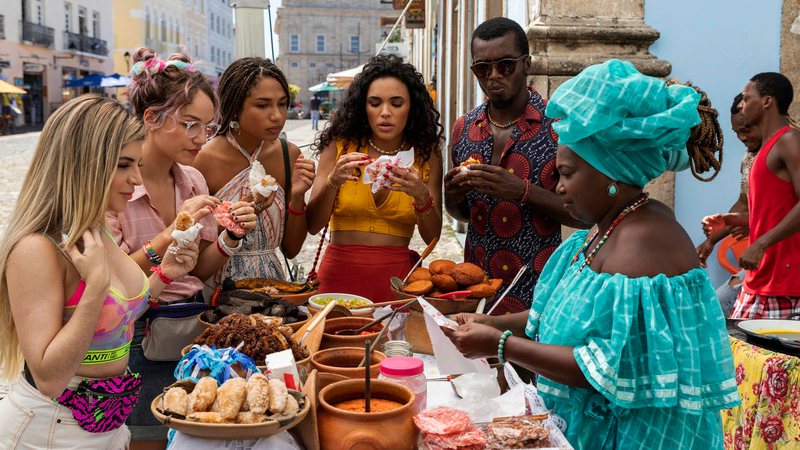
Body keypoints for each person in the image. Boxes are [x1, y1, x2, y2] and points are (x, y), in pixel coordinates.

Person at [443, 60, 740, 449]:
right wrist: (492, 324)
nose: (560, 187)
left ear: (611, 174)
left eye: (567, 173)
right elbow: (549, 318)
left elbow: (602, 366)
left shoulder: (644, 241)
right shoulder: (605, 227)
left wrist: (498, 346)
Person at [0, 94, 199, 449]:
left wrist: (165, 275)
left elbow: (117, 318)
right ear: (82, 163)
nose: (136, 179)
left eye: (137, 164)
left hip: (106, 425)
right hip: (49, 429)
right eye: (124, 165)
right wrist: (94, 286)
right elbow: (49, 376)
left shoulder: (98, 230)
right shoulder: (37, 248)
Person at [111, 48, 257, 448]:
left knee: (190, 435)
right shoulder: (116, 181)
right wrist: (174, 232)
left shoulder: (191, 179)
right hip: (134, 331)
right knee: (143, 437)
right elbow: (113, 281)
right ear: (151, 118)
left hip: (190, 326)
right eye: (190, 124)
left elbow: (199, 271)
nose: (201, 138)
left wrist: (231, 237)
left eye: (207, 127)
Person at [444, 17, 587, 314]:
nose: (493, 76)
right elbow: (463, 216)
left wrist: (523, 191)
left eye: (506, 66)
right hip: (475, 293)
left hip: (537, 292)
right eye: (482, 69)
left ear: (527, 65)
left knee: (527, 363)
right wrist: (452, 195)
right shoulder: (464, 128)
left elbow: (584, 215)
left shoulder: (561, 127)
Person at [307, 54, 443, 302]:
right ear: (363, 106)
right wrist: (332, 182)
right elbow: (313, 225)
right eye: (375, 103)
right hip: (338, 276)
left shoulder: (426, 154)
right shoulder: (340, 146)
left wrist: (422, 196)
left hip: (397, 281)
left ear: (411, 107)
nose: (385, 113)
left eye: (396, 103)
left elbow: (432, 236)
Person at [194, 57, 315, 284]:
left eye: (282, 103)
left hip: (274, 289)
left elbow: (291, 249)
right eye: (262, 105)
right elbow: (195, 257)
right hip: (218, 289)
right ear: (235, 107)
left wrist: (298, 197)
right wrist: (252, 207)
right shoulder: (202, 159)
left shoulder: (288, 154)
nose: (277, 116)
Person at [715, 72, 800, 319]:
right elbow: (776, 212)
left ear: (767, 102)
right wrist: (733, 221)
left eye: (746, 97)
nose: (741, 104)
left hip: (786, 287)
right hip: (761, 282)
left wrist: (761, 243)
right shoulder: (761, 153)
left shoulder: (789, 140)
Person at [695, 94, 762, 316]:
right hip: (766, 255)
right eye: (737, 133)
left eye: (747, 130)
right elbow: (744, 203)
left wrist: (753, 224)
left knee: (720, 309)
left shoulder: (787, 151)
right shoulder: (749, 158)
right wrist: (711, 240)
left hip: (783, 257)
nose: (742, 137)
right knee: (718, 307)